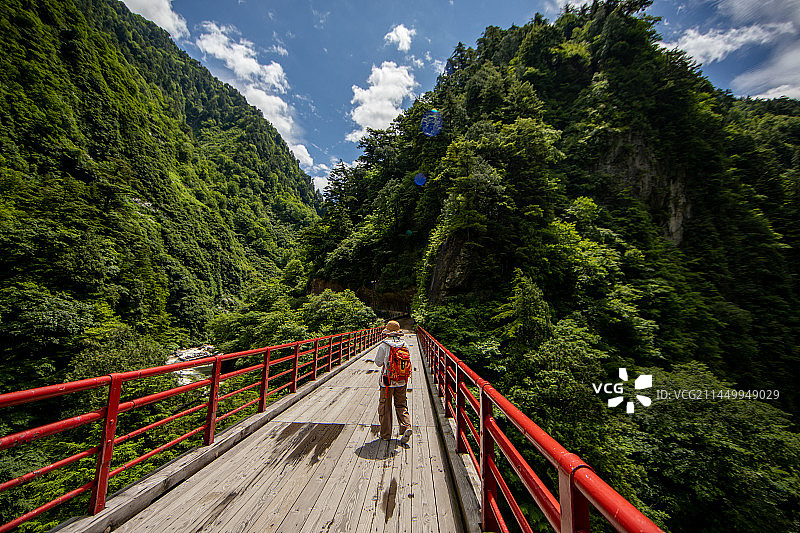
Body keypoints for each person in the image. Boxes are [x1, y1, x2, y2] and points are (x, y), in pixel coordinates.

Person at [375, 320, 412, 443]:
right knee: (401, 404)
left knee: (385, 406)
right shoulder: (404, 344)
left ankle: (385, 434)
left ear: (388, 332)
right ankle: (406, 426)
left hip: (387, 381)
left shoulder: (384, 345)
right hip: (402, 380)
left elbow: (378, 362)